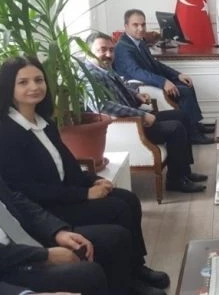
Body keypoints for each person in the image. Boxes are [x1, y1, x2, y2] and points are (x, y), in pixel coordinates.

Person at [0, 56, 170, 295]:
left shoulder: (44, 122)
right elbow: (28, 191)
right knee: (117, 210)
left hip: (62, 196)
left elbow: (67, 164)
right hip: (45, 207)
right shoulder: (7, 133)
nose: (34, 87)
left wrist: (92, 180)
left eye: (39, 80)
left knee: (128, 199)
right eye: (23, 82)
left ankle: (135, 267)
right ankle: (128, 279)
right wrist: (85, 194)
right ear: (9, 87)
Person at [83, 32, 207, 193]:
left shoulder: (104, 68)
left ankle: (184, 172)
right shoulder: (89, 75)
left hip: (134, 116)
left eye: (111, 50)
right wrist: (142, 115)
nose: (108, 54)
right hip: (128, 126)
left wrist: (136, 95)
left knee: (181, 115)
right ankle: (175, 180)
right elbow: (101, 106)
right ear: (88, 51)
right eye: (102, 50)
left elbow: (122, 85)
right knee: (175, 128)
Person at [0, 174, 132, 295]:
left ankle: (133, 283)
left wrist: (57, 232)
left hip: (25, 241)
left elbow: (16, 200)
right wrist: (44, 255)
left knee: (113, 238)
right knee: (87, 274)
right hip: (9, 266)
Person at [113, 9, 213, 143]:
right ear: (126, 26)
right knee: (183, 91)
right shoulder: (123, 47)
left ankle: (194, 125)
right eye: (135, 25)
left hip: (150, 81)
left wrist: (177, 75)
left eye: (143, 24)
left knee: (186, 83)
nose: (141, 29)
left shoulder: (139, 42)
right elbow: (137, 72)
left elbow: (155, 64)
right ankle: (193, 134)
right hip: (140, 87)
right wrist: (163, 82)